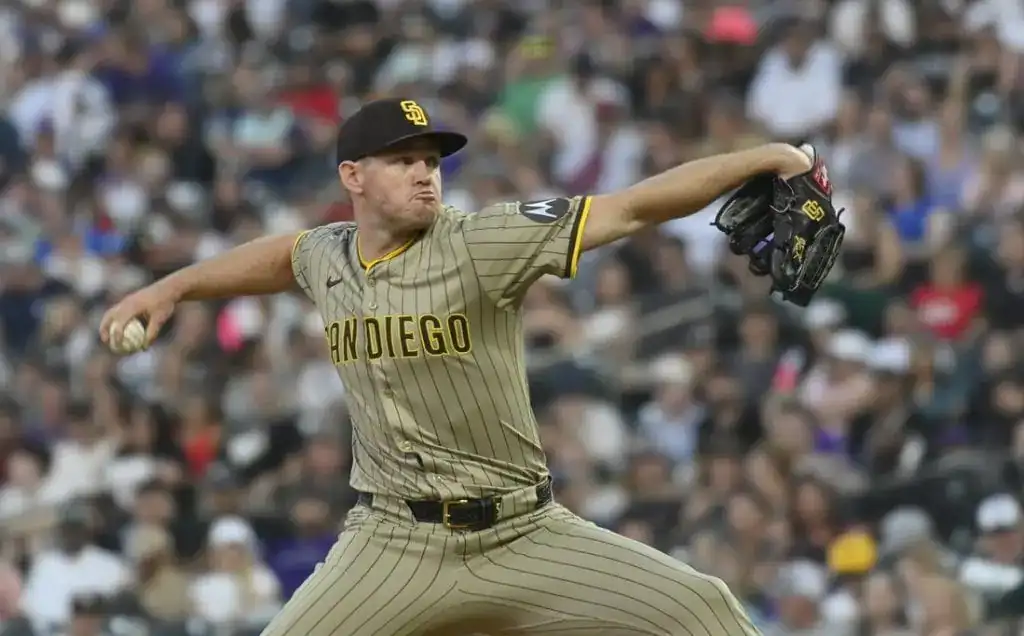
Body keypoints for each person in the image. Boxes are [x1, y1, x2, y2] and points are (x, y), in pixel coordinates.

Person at [101, 97, 813, 635]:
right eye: (403, 160)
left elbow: (628, 210)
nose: (424, 174)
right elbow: (282, 255)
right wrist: (174, 287)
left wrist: (764, 158)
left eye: (431, 161)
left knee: (704, 610)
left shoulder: (481, 242)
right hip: (393, 543)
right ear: (353, 175)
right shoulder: (328, 255)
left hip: (523, 532)